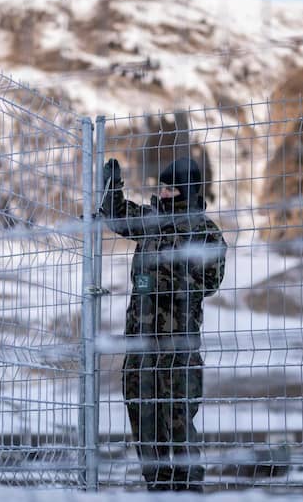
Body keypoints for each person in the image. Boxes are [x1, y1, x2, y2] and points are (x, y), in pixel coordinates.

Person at [101, 156, 227, 491]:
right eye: (162, 186)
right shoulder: (151, 220)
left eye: (172, 188)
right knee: (142, 414)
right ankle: (156, 486)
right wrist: (112, 189)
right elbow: (117, 217)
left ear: (188, 191)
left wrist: (169, 274)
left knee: (178, 420)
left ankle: (188, 489)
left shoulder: (204, 231)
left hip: (178, 345)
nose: (165, 193)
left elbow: (210, 282)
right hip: (141, 343)